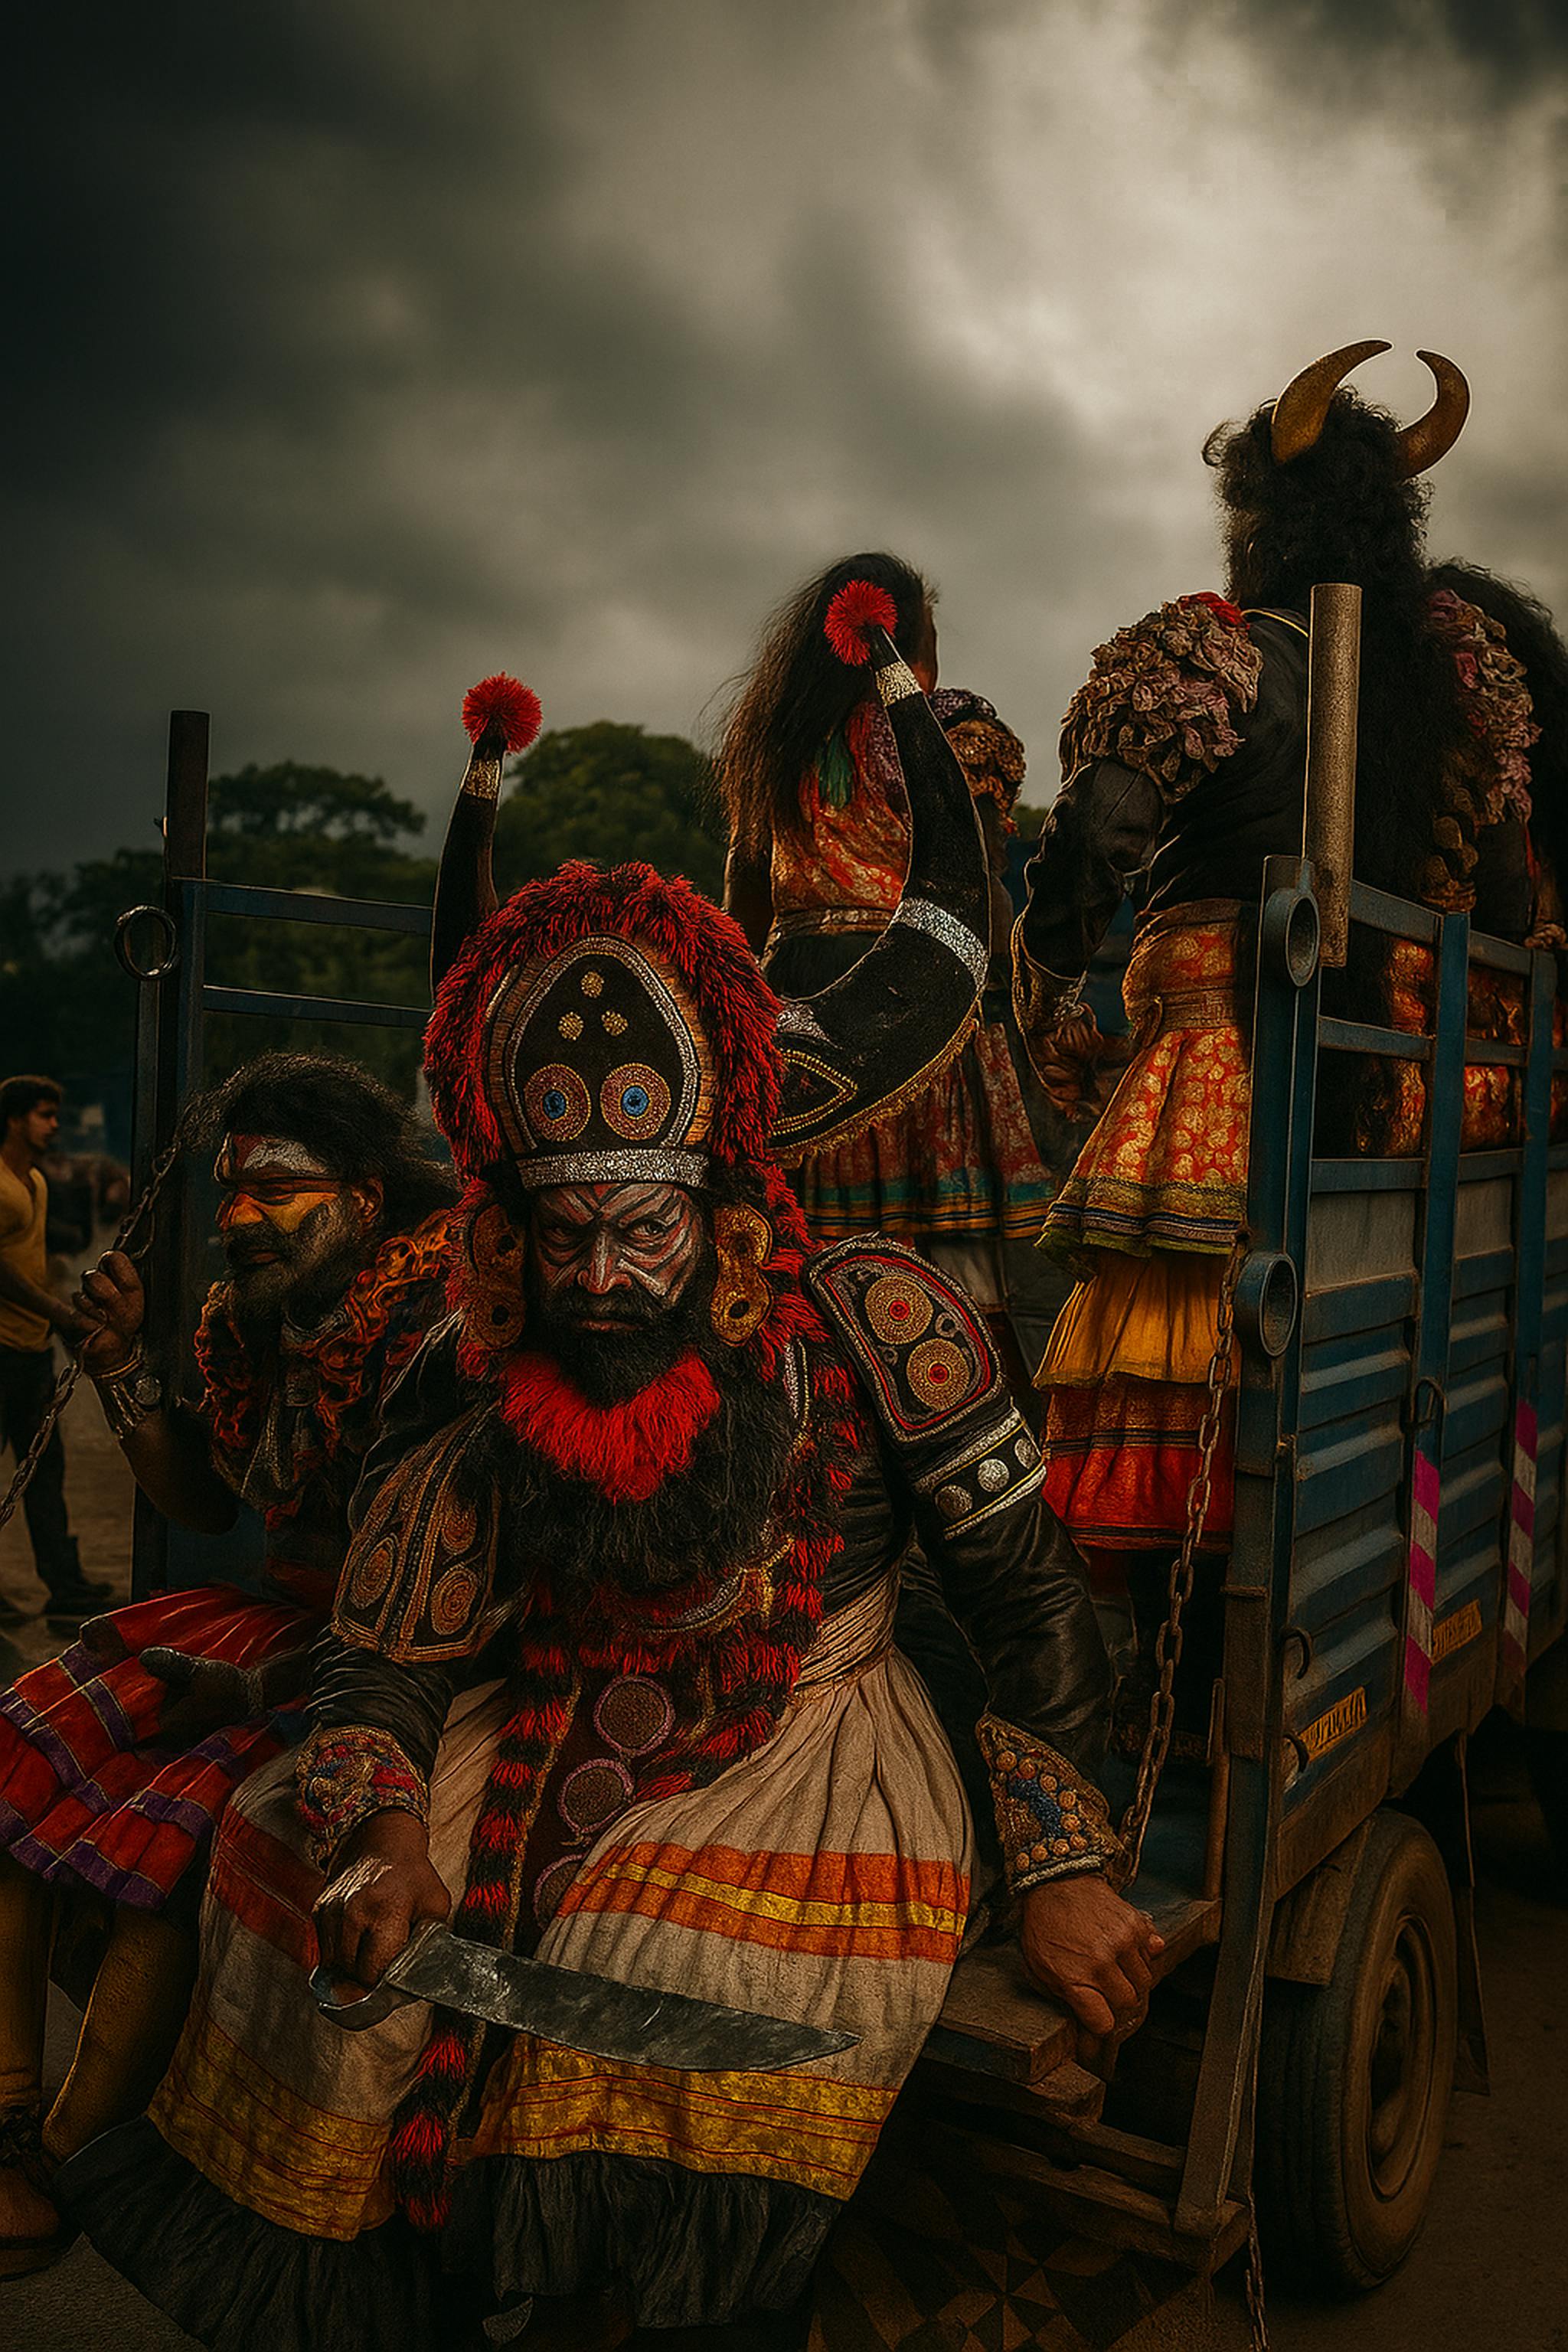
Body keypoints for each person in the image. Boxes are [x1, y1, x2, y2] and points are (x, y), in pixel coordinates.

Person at [66, 646, 1158, 2350]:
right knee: (292, 1873)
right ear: (507, 1220)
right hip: (543, 1690)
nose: (595, 1279)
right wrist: (373, 1832)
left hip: (808, 1718)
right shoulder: (468, 1336)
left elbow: (1030, 1604)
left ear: (726, 1217)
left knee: (664, 1970)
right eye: (560, 1235)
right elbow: (382, 1649)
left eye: (638, 1232)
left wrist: (1067, 1865)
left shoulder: (882, 1321)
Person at [1011, 342, 1536, 1612]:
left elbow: (1094, 837)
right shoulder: (1458, 694)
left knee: (1181, 1359)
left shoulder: (1206, 653)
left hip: (1210, 1075)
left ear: (1259, 522)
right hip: (1402, 1096)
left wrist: (1042, 963)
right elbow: (1512, 909)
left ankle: (1166, 1610)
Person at [0, 1053, 454, 2279]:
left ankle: (68, 2160)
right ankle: (6, 2131)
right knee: (15, 1756)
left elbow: (427, 1585)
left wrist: (259, 1691)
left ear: (363, 1197)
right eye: (231, 1190)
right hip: (259, 1619)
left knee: (166, 1852)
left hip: (373, 1657)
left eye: (274, 1189)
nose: (240, 1216)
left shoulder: (439, 1322)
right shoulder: (254, 1319)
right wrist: (121, 1369)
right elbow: (205, 1499)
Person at [718, 552, 1086, 1393]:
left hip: (794, 1005)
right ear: (914, 644)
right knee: (945, 1245)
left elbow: (742, 909)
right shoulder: (951, 729)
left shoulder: (773, 746)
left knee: (804, 1236)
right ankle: (950, 1404)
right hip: (914, 997)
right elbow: (978, 881)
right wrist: (1026, 1007)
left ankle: (812, 1401)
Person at [0, 1073, 107, 1625]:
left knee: (45, 1470)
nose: (54, 1125)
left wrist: (61, 1318)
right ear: (16, 1119)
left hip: (31, 1351)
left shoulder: (35, 1183)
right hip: (1, 1350)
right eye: (44, 1114)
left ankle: (64, 1586)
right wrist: (58, 1313)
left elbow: (30, 1265)